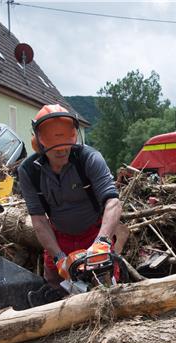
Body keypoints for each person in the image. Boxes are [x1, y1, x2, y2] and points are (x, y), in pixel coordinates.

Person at [17, 104, 122, 287]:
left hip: (94, 233)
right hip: (58, 238)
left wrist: (102, 241)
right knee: (55, 289)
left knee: (107, 290)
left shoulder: (88, 159)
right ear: (39, 143)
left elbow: (113, 201)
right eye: (55, 147)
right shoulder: (29, 172)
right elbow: (39, 220)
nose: (62, 151)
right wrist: (59, 258)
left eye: (66, 146)